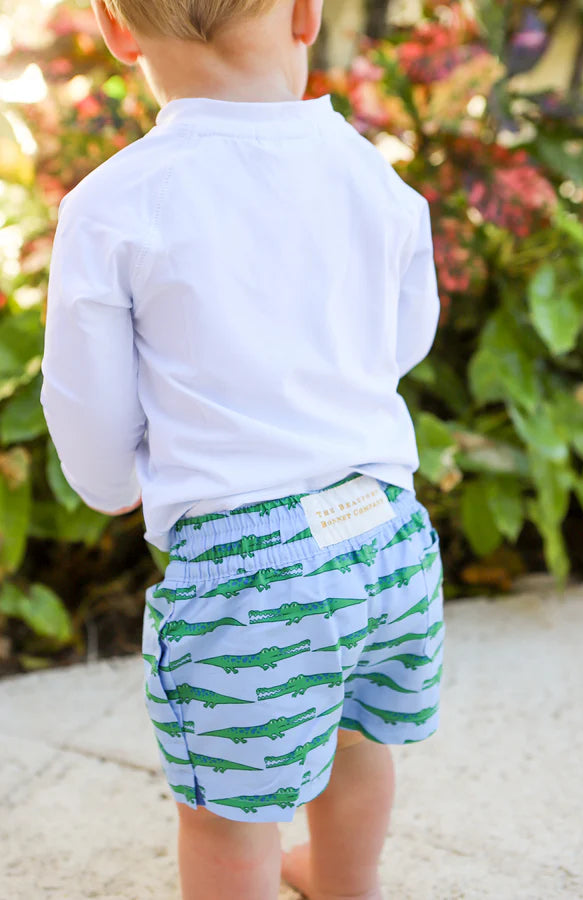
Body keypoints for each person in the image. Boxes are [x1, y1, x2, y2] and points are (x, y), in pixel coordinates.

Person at [40, 1, 445, 898]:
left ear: (116, 28)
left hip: (249, 578)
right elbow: (403, 340)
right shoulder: (372, 175)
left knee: (229, 816)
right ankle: (347, 884)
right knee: (357, 738)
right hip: (385, 537)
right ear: (307, 12)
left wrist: (113, 486)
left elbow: (87, 408)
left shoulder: (114, 204)